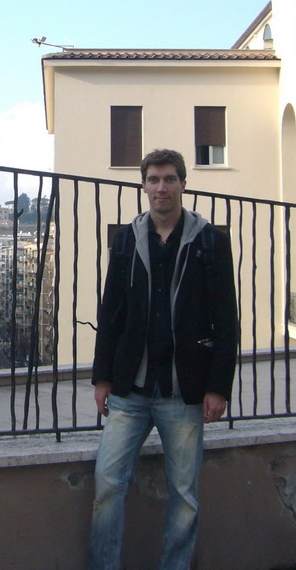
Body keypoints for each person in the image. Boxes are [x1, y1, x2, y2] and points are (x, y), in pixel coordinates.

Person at [88, 148, 239, 570]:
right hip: (129, 391)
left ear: (183, 184)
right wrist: (103, 379)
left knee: (186, 497)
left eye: (169, 179)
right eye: (153, 179)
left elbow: (226, 318)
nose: (161, 187)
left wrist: (217, 387)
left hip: (183, 392)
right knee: (108, 485)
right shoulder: (127, 240)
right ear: (143, 186)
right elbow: (111, 312)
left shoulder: (210, 240)